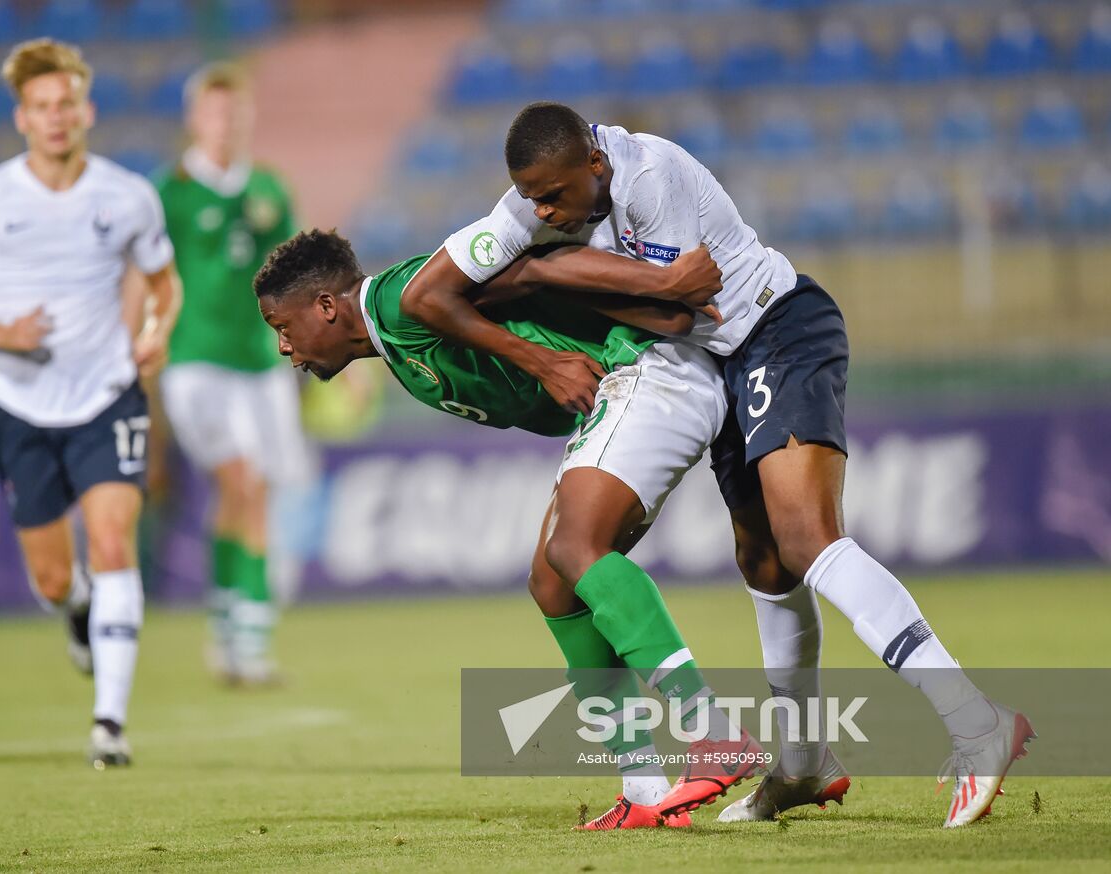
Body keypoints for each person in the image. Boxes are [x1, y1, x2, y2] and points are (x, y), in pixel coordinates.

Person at [397, 101, 1033, 827]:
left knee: (807, 539)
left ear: (594, 166)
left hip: (779, 327)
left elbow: (675, 313)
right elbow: (443, 292)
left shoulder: (653, 175)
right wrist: (547, 280)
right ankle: (802, 766)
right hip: (721, 364)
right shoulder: (541, 193)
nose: (540, 210)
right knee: (766, 566)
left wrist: (548, 276)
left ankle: (976, 722)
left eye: (554, 196)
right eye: (533, 199)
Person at [254, 228, 764, 830]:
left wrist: (590, 334)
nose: (285, 348)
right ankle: (645, 790)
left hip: (643, 371)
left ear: (326, 306)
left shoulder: (401, 297)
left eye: (283, 328)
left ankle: (711, 731)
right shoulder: (395, 336)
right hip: (615, 395)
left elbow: (528, 266)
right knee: (553, 584)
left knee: (576, 548)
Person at [0, 39, 179, 767]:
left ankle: (109, 725)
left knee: (110, 545)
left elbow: (164, 284)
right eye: (42, 107)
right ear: (21, 118)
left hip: (107, 394)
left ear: (86, 109)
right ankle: (75, 613)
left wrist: (156, 333)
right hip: (22, 406)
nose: (56, 117)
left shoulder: (127, 195)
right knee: (52, 576)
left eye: (66, 103)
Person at [151, 63, 309, 685]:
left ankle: (228, 628)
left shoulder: (269, 186)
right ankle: (248, 642)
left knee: (250, 491)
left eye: (235, 112)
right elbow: (143, 277)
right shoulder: (170, 193)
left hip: (260, 362)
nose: (226, 124)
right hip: (194, 362)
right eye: (215, 112)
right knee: (242, 481)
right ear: (195, 119)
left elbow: (298, 278)